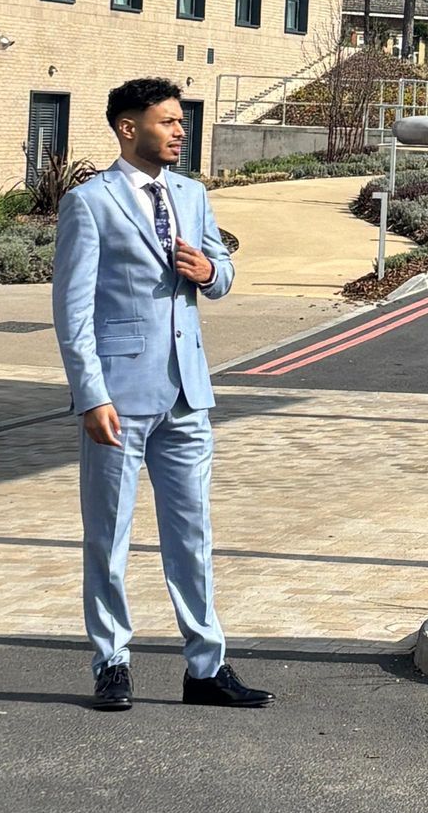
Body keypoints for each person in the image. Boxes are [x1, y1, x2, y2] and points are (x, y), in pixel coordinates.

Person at [51, 75, 270, 713]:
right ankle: (111, 662)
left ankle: (205, 668)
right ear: (128, 128)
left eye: (182, 121)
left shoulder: (192, 195)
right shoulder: (90, 203)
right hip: (119, 398)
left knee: (192, 535)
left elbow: (219, 268)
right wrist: (91, 395)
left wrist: (211, 271)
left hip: (187, 394)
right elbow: (73, 311)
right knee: (108, 535)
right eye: (168, 121)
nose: (181, 131)